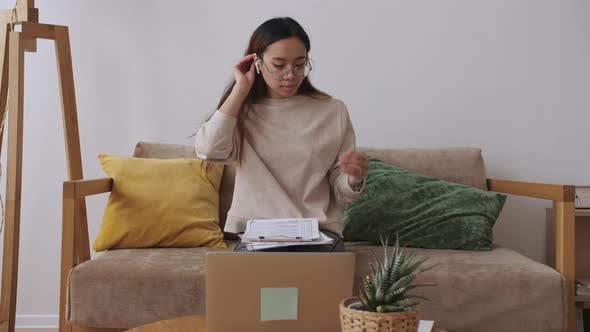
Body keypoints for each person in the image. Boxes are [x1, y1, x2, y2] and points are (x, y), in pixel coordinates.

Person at [195, 17, 369, 252]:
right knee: (262, 287)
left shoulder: (332, 111)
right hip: (258, 234)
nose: (291, 74)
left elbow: (342, 190)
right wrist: (240, 88)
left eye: (299, 64)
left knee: (310, 285)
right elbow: (208, 150)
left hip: (317, 232)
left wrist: (354, 178)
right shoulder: (242, 111)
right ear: (257, 62)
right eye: (279, 65)